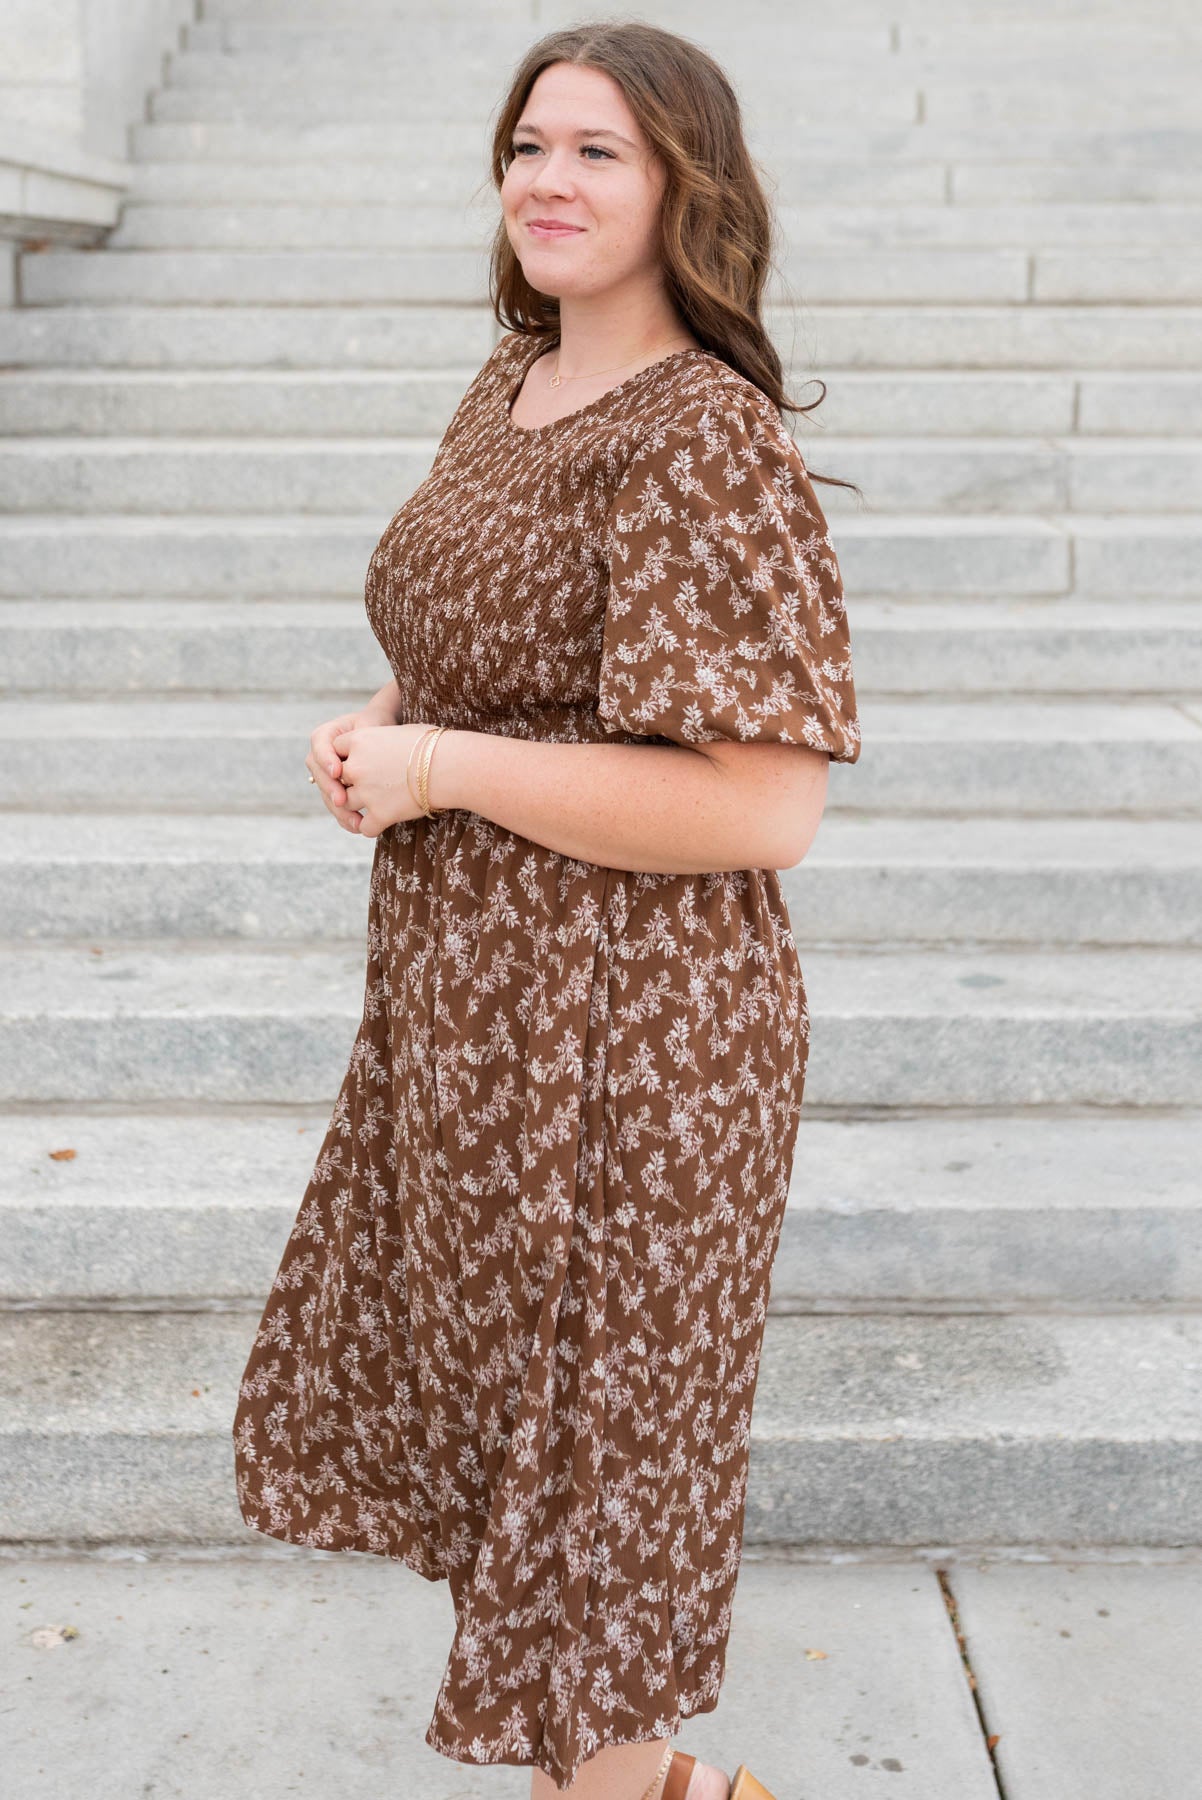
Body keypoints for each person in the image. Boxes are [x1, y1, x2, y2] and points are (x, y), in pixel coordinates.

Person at [232, 19, 861, 1800]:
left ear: (684, 187)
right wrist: (381, 720)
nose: (547, 181)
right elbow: (483, 663)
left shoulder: (704, 439)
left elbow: (765, 807)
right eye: (527, 143)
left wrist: (442, 771)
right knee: (521, 1473)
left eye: (598, 150)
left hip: (634, 1036)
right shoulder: (503, 394)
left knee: (589, 1491)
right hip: (469, 1018)